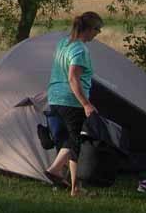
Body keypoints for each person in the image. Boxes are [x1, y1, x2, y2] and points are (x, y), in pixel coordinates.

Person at [43, 11, 104, 197]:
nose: (98, 33)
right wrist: (86, 104)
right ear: (88, 29)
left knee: (69, 141)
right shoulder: (79, 49)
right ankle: (56, 171)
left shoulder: (63, 43)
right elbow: (73, 78)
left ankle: (74, 187)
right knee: (76, 140)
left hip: (55, 97)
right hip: (71, 100)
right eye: (97, 29)